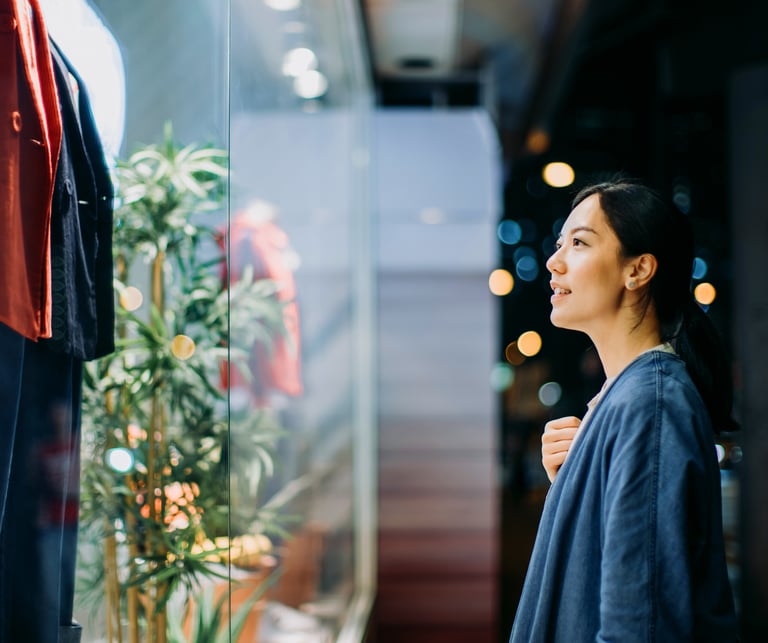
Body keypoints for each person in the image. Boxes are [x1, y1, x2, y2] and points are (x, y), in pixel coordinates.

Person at [508, 179, 738, 642]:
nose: (554, 261)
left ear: (638, 270)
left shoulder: (651, 405)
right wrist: (578, 482)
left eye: (579, 243)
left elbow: (640, 627)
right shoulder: (628, 399)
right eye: (559, 243)